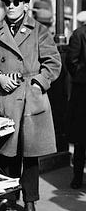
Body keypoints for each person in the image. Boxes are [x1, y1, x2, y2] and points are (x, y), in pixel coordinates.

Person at [0, 0, 62, 210]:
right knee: (7, 155)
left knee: (30, 156)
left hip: (30, 102)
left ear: (26, 5)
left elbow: (53, 62)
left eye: (17, 1)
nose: (11, 6)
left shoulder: (38, 30)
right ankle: (10, 199)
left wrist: (37, 84)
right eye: (7, 1)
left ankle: (30, 201)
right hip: (5, 101)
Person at [65, 11, 86, 189]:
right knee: (81, 140)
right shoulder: (80, 34)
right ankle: (77, 176)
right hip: (83, 95)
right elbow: (71, 62)